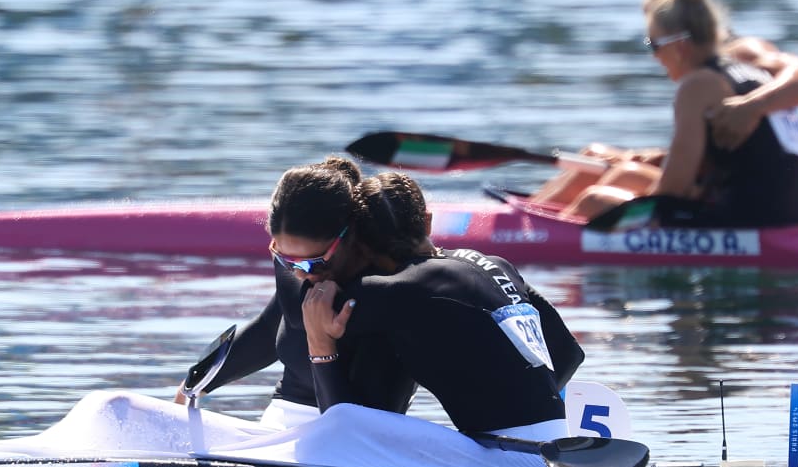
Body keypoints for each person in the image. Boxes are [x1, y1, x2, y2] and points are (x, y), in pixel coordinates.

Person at [532, 0, 798, 215]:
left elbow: (671, 193)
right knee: (621, 173)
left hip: (747, 223)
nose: (654, 57)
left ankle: (532, 235)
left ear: (681, 46)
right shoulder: (749, 76)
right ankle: (527, 216)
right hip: (781, 212)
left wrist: (634, 199)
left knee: (594, 200)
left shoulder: (699, 84)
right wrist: (638, 163)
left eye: (654, 45)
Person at [302, 171, 584, 439]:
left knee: (349, 431)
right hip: (555, 446)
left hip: (503, 458)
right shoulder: (496, 265)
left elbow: (342, 427)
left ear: (360, 246)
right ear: (427, 222)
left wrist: (319, 344)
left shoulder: (392, 290)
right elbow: (569, 353)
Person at [172, 156, 416, 428]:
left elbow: (363, 423)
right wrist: (190, 389)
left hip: (358, 441)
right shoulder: (297, 267)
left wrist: (321, 343)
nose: (301, 273)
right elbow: (271, 328)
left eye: (315, 261)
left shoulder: (388, 289)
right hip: (279, 429)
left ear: (352, 235)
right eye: (286, 260)